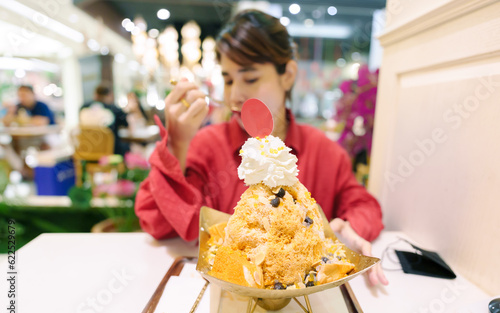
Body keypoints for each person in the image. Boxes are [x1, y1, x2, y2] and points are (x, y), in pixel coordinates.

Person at [135, 9, 388, 285]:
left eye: (251, 78)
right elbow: (158, 224)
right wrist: (177, 143)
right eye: (228, 79)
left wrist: (350, 227)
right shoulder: (207, 146)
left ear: (288, 74)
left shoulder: (323, 153)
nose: (235, 94)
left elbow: (364, 205)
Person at [80, 84, 130, 156]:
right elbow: (126, 124)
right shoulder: (114, 109)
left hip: (88, 150)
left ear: (95, 94)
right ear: (109, 95)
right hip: (110, 151)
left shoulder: (84, 108)